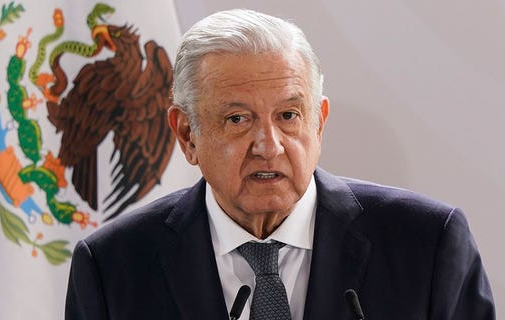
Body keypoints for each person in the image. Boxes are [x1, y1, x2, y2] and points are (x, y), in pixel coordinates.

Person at [65, 9, 495, 320]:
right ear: (186, 134)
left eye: (289, 116)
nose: (268, 146)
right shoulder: (113, 268)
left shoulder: (427, 245)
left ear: (319, 122)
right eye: (237, 119)